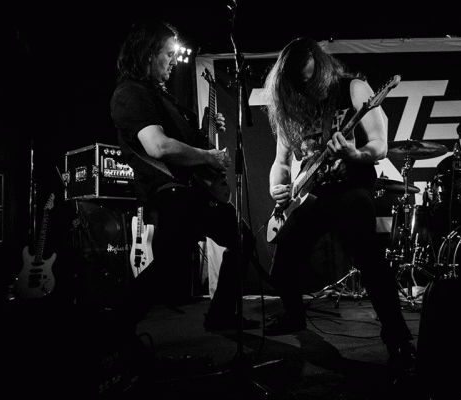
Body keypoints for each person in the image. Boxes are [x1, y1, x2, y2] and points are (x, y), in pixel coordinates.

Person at [262, 37, 415, 375]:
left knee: (370, 261)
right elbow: (280, 162)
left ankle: (398, 338)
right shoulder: (291, 106)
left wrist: (355, 154)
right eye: (297, 81)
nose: (305, 86)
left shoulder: (353, 88)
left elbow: (380, 145)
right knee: (282, 265)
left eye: (309, 77)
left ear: (320, 66)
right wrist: (277, 187)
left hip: (350, 188)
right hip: (310, 194)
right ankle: (294, 315)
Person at [110, 19, 259, 333]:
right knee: (166, 268)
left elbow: (183, 144)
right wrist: (209, 156)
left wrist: (204, 128)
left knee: (241, 239)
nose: (173, 61)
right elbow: (159, 146)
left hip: (190, 190)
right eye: (167, 54)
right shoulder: (131, 94)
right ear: (148, 54)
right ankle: (115, 330)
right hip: (169, 192)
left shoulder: (160, 96)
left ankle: (219, 315)